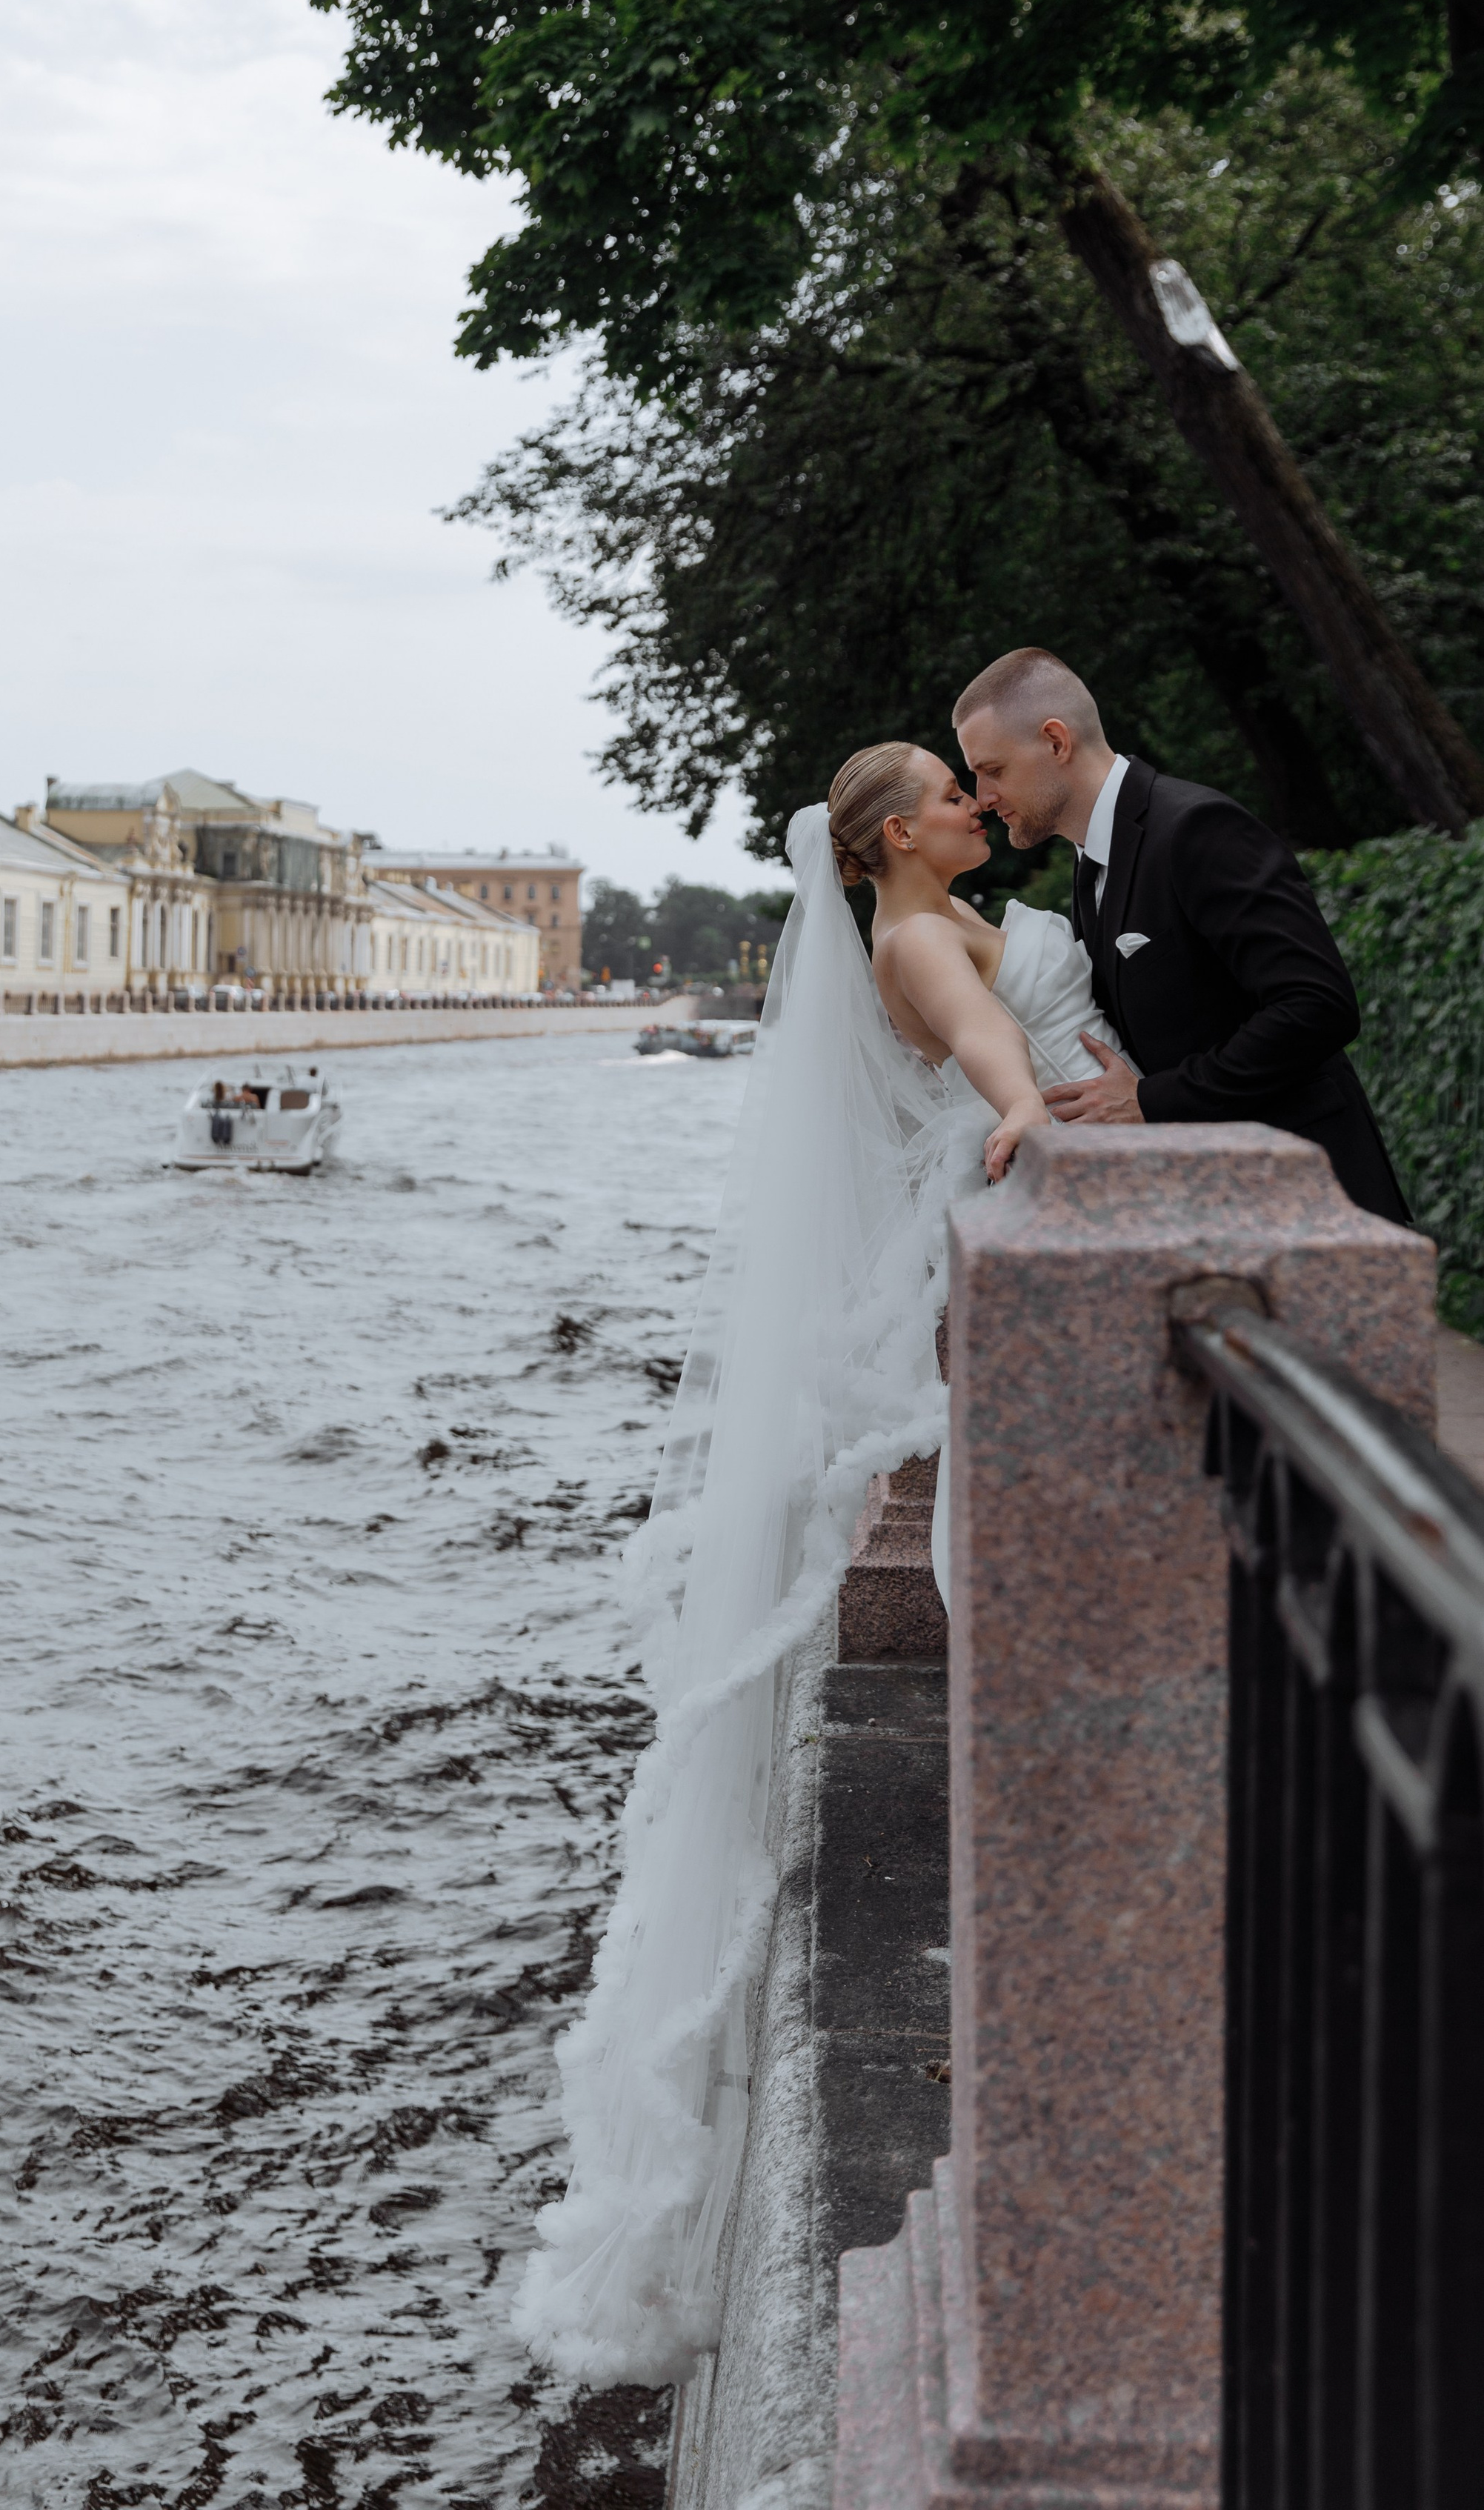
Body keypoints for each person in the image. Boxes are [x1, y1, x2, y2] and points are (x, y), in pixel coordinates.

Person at [514, 745, 1119, 2392]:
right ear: (889, 839)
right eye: (944, 786)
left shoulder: (933, 916)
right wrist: (1022, 1114)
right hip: (1046, 1197)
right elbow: (994, 1040)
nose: (968, 798)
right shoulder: (923, 936)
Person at [953, 646, 1411, 1223]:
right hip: (1218, 1209)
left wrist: (1151, 1100)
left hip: (1312, 1199)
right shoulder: (1089, 860)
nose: (983, 797)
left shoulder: (1195, 827)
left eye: (992, 770)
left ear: (1055, 741)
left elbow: (1318, 1005)